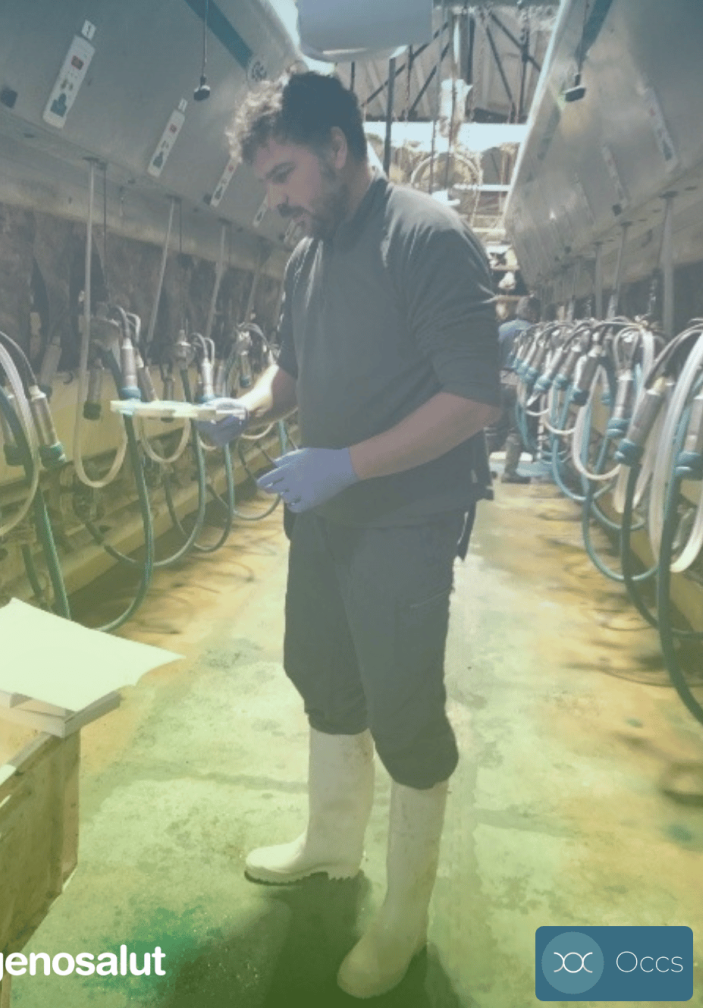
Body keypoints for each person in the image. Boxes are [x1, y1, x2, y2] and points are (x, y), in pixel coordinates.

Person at [197, 71, 501, 999]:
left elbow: (472, 400)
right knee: (321, 676)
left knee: (402, 707)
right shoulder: (308, 256)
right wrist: (246, 408)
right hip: (326, 516)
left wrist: (351, 463)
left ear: (337, 148)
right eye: (266, 184)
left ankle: (403, 921)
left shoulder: (427, 238)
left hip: (403, 520)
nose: (278, 200)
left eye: (285, 174)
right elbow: (290, 370)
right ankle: (332, 843)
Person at [495, 294, 541, 483]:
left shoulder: (503, 328)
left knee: (493, 428)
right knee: (515, 429)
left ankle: (477, 471)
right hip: (520, 384)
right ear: (532, 312)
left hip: (499, 380)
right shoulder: (535, 332)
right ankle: (509, 472)